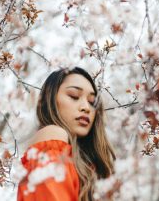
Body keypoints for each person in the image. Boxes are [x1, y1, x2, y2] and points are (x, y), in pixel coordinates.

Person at [17, 67, 116, 201]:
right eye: (74, 96)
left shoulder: (87, 166)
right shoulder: (52, 137)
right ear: (49, 99)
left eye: (92, 102)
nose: (86, 108)